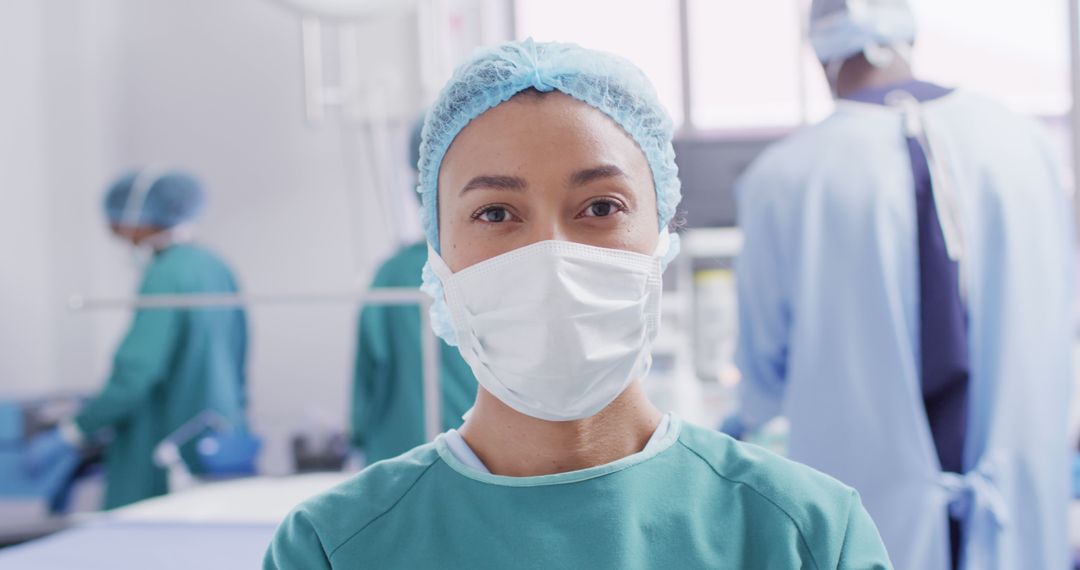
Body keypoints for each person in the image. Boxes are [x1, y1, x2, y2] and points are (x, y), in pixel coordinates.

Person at [264, 39, 892, 569]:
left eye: (600, 208)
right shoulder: (333, 547)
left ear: (661, 236)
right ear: (437, 255)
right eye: (495, 213)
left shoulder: (803, 534)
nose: (551, 258)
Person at [731, 0, 1074, 568]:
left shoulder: (786, 175)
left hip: (869, 517)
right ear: (908, 33)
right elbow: (1058, 314)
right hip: (1018, 512)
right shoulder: (1026, 145)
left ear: (822, 52)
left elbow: (762, 374)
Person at [24, 168, 250, 509]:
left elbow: (136, 375)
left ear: (140, 216)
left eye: (116, 222)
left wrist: (74, 430)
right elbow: (239, 352)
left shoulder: (164, 274)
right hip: (218, 436)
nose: (114, 231)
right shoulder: (215, 266)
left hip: (163, 442)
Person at [351, 119, 477, 465]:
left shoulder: (392, 274)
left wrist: (356, 434)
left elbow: (367, 377)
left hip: (401, 453)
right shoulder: (494, 267)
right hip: (484, 455)